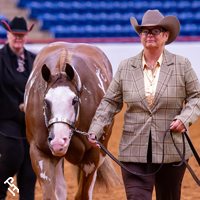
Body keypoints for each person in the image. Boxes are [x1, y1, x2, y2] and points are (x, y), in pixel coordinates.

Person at [87, 10, 200, 200]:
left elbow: (196, 97)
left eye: (156, 30)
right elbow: (110, 102)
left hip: (172, 148)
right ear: (140, 36)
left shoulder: (182, 65)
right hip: (133, 150)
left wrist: (184, 119)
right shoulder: (125, 67)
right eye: (145, 31)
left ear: (166, 35)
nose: (149, 35)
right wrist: (96, 127)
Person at [0, 17, 37, 200]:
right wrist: (16, 110)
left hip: (30, 121)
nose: (18, 38)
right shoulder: (0, 58)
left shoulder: (34, 59)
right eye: (15, 34)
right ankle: (0, 190)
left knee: (30, 171)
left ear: (26, 36)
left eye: (22, 35)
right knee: (12, 158)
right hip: (6, 118)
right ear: (8, 35)